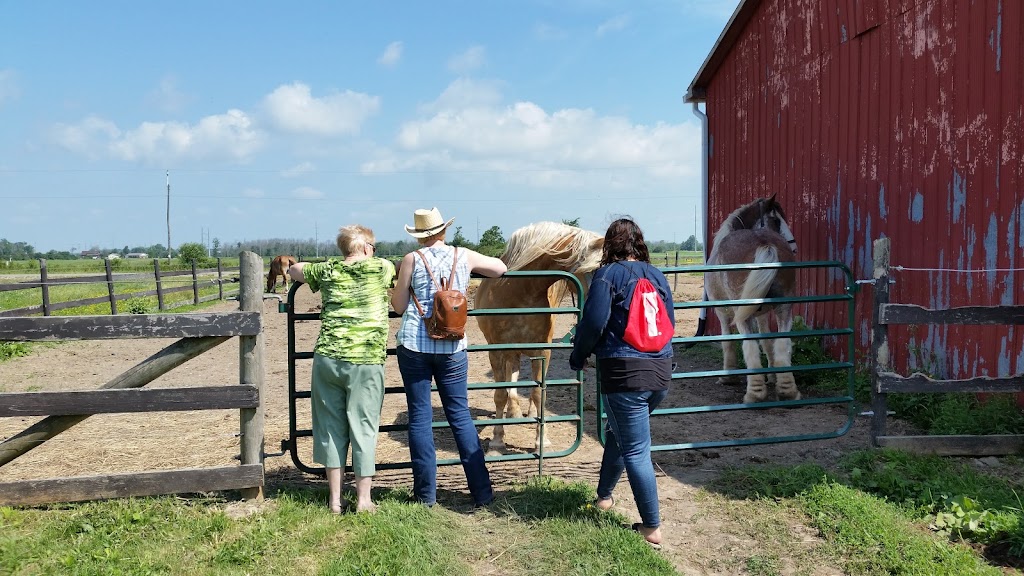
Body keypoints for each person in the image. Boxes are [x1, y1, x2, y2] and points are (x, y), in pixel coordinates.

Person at [568, 217, 675, 549]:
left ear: (609, 245)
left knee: (636, 449)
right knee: (619, 433)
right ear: (638, 243)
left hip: (625, 373)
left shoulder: (606, 276)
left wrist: (578, 355)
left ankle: (651, 527)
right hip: (660, 372)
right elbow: (668, 321)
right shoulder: (656, 275)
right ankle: (604, 497)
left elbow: (594, 322)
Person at [391, 207, 508, 508]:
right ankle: (482, 492)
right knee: (460, 415)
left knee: (419, 417)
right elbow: (500, 269)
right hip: (453, 347)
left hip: (415, 346)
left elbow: (400, 305)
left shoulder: (411, 260)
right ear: (443, 231)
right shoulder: (464, 255)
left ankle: (425, 496)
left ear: (419, 235)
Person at [288, 225, 396, 514]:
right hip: (366, 359)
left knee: (329, 428)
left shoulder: (327, 270)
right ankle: (363, 499)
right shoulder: (382, 267)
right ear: (365, 248)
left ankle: (335, 500)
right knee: (364, 427)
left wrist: (316, 265)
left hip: (329, 358)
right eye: (373, 246)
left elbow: (294, 270)